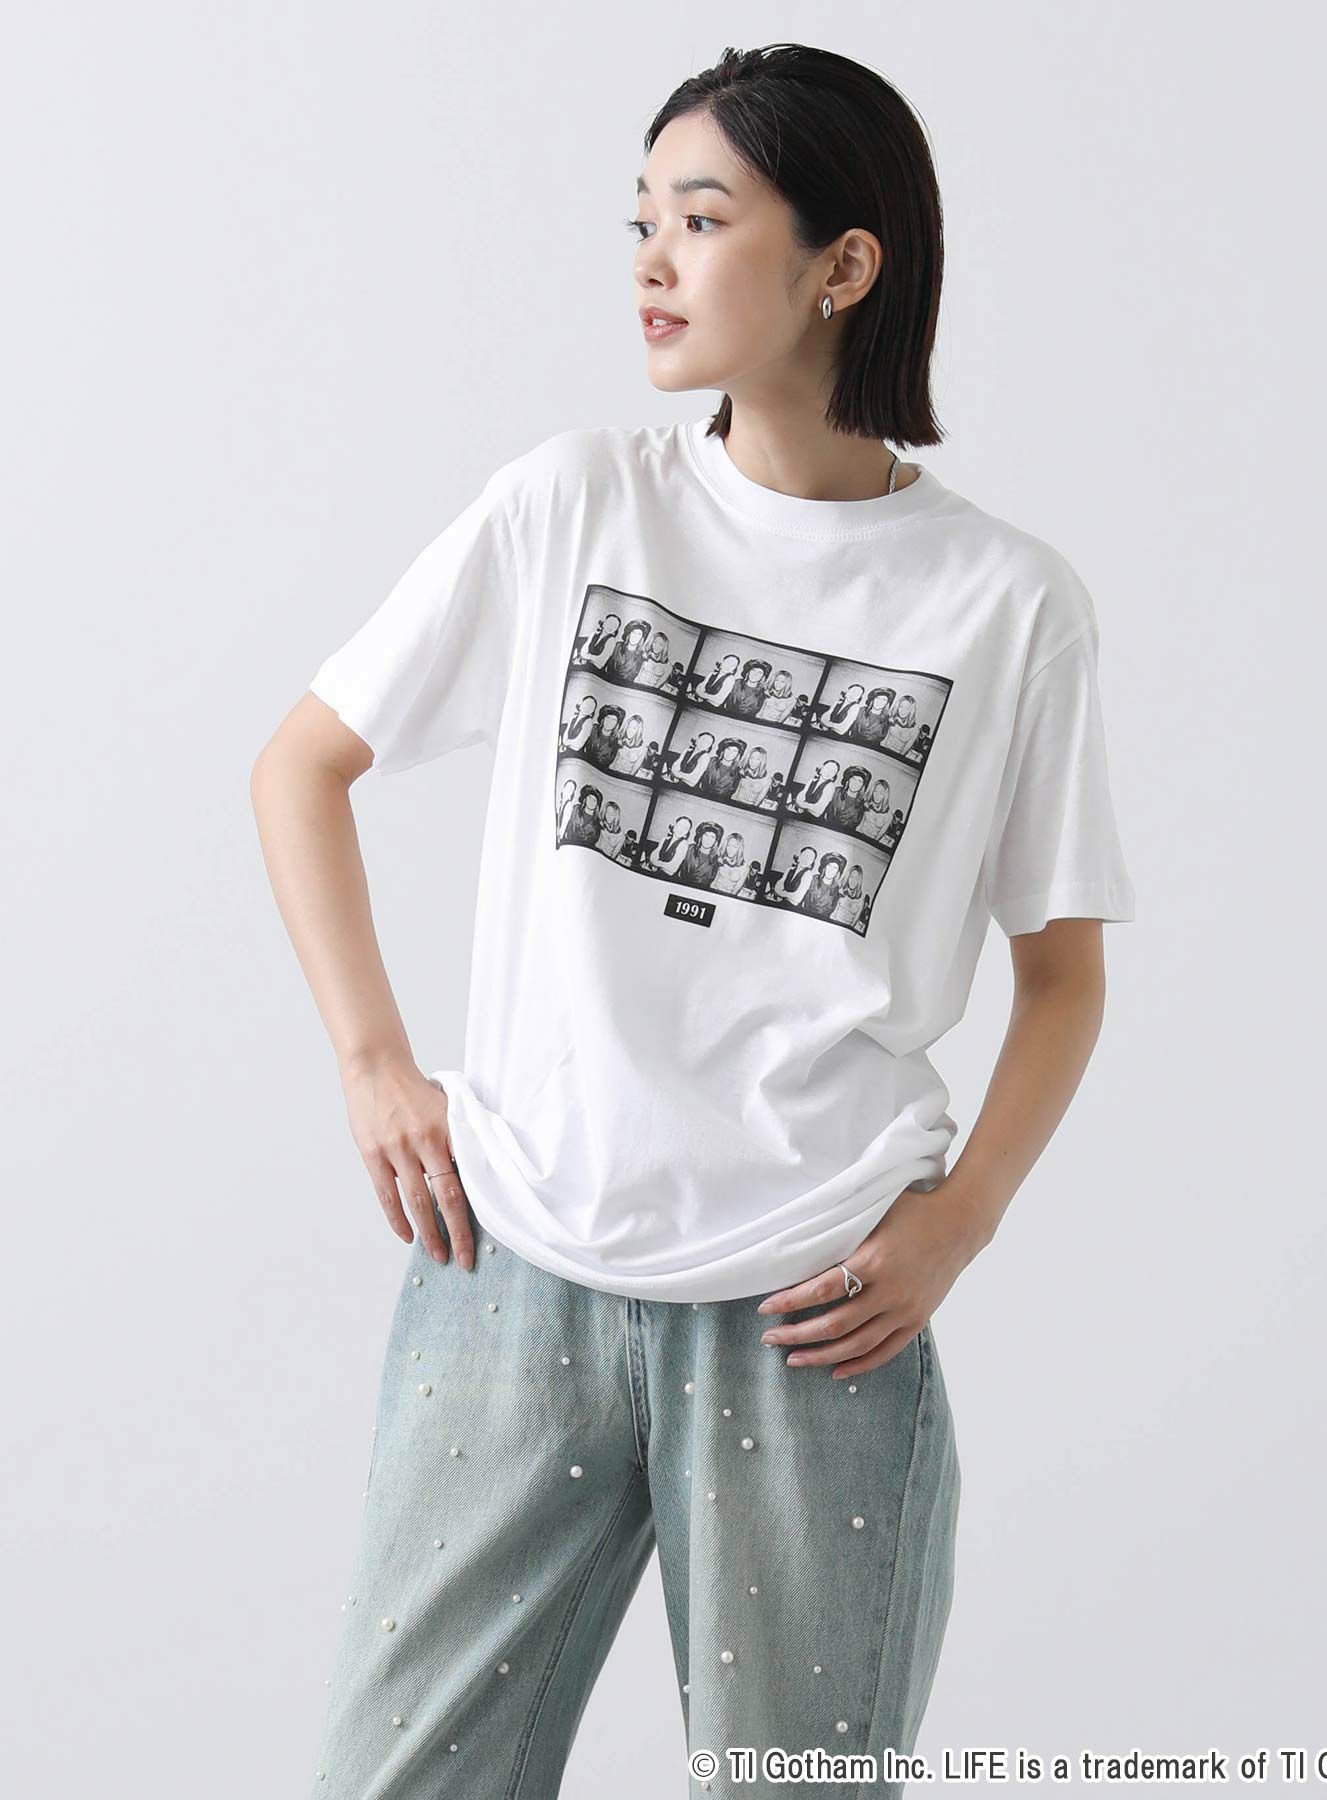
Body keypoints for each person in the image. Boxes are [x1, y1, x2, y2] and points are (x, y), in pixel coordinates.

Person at [250, 43, 1136, 1800]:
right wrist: (372, 1066)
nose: (652, 260)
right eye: (641, 220)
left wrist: (959, 1224)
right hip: (509, 1265)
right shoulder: (574, 503)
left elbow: (1061, 976)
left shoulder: (1008, 604)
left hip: (816, 1309)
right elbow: (304, 765)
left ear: (844, 264)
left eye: (705, 219)